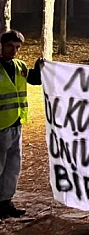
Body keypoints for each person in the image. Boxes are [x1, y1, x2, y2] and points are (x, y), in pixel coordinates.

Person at [0, 30, 42, 219]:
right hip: (1, 126)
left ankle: (5, 203)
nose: (14, 51)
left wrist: (39, 67)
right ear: (1, 46)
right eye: (10, 46)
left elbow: (35, 80)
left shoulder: (20, 67)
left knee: (12, 167)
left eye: (17, 47)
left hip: (16, 124)